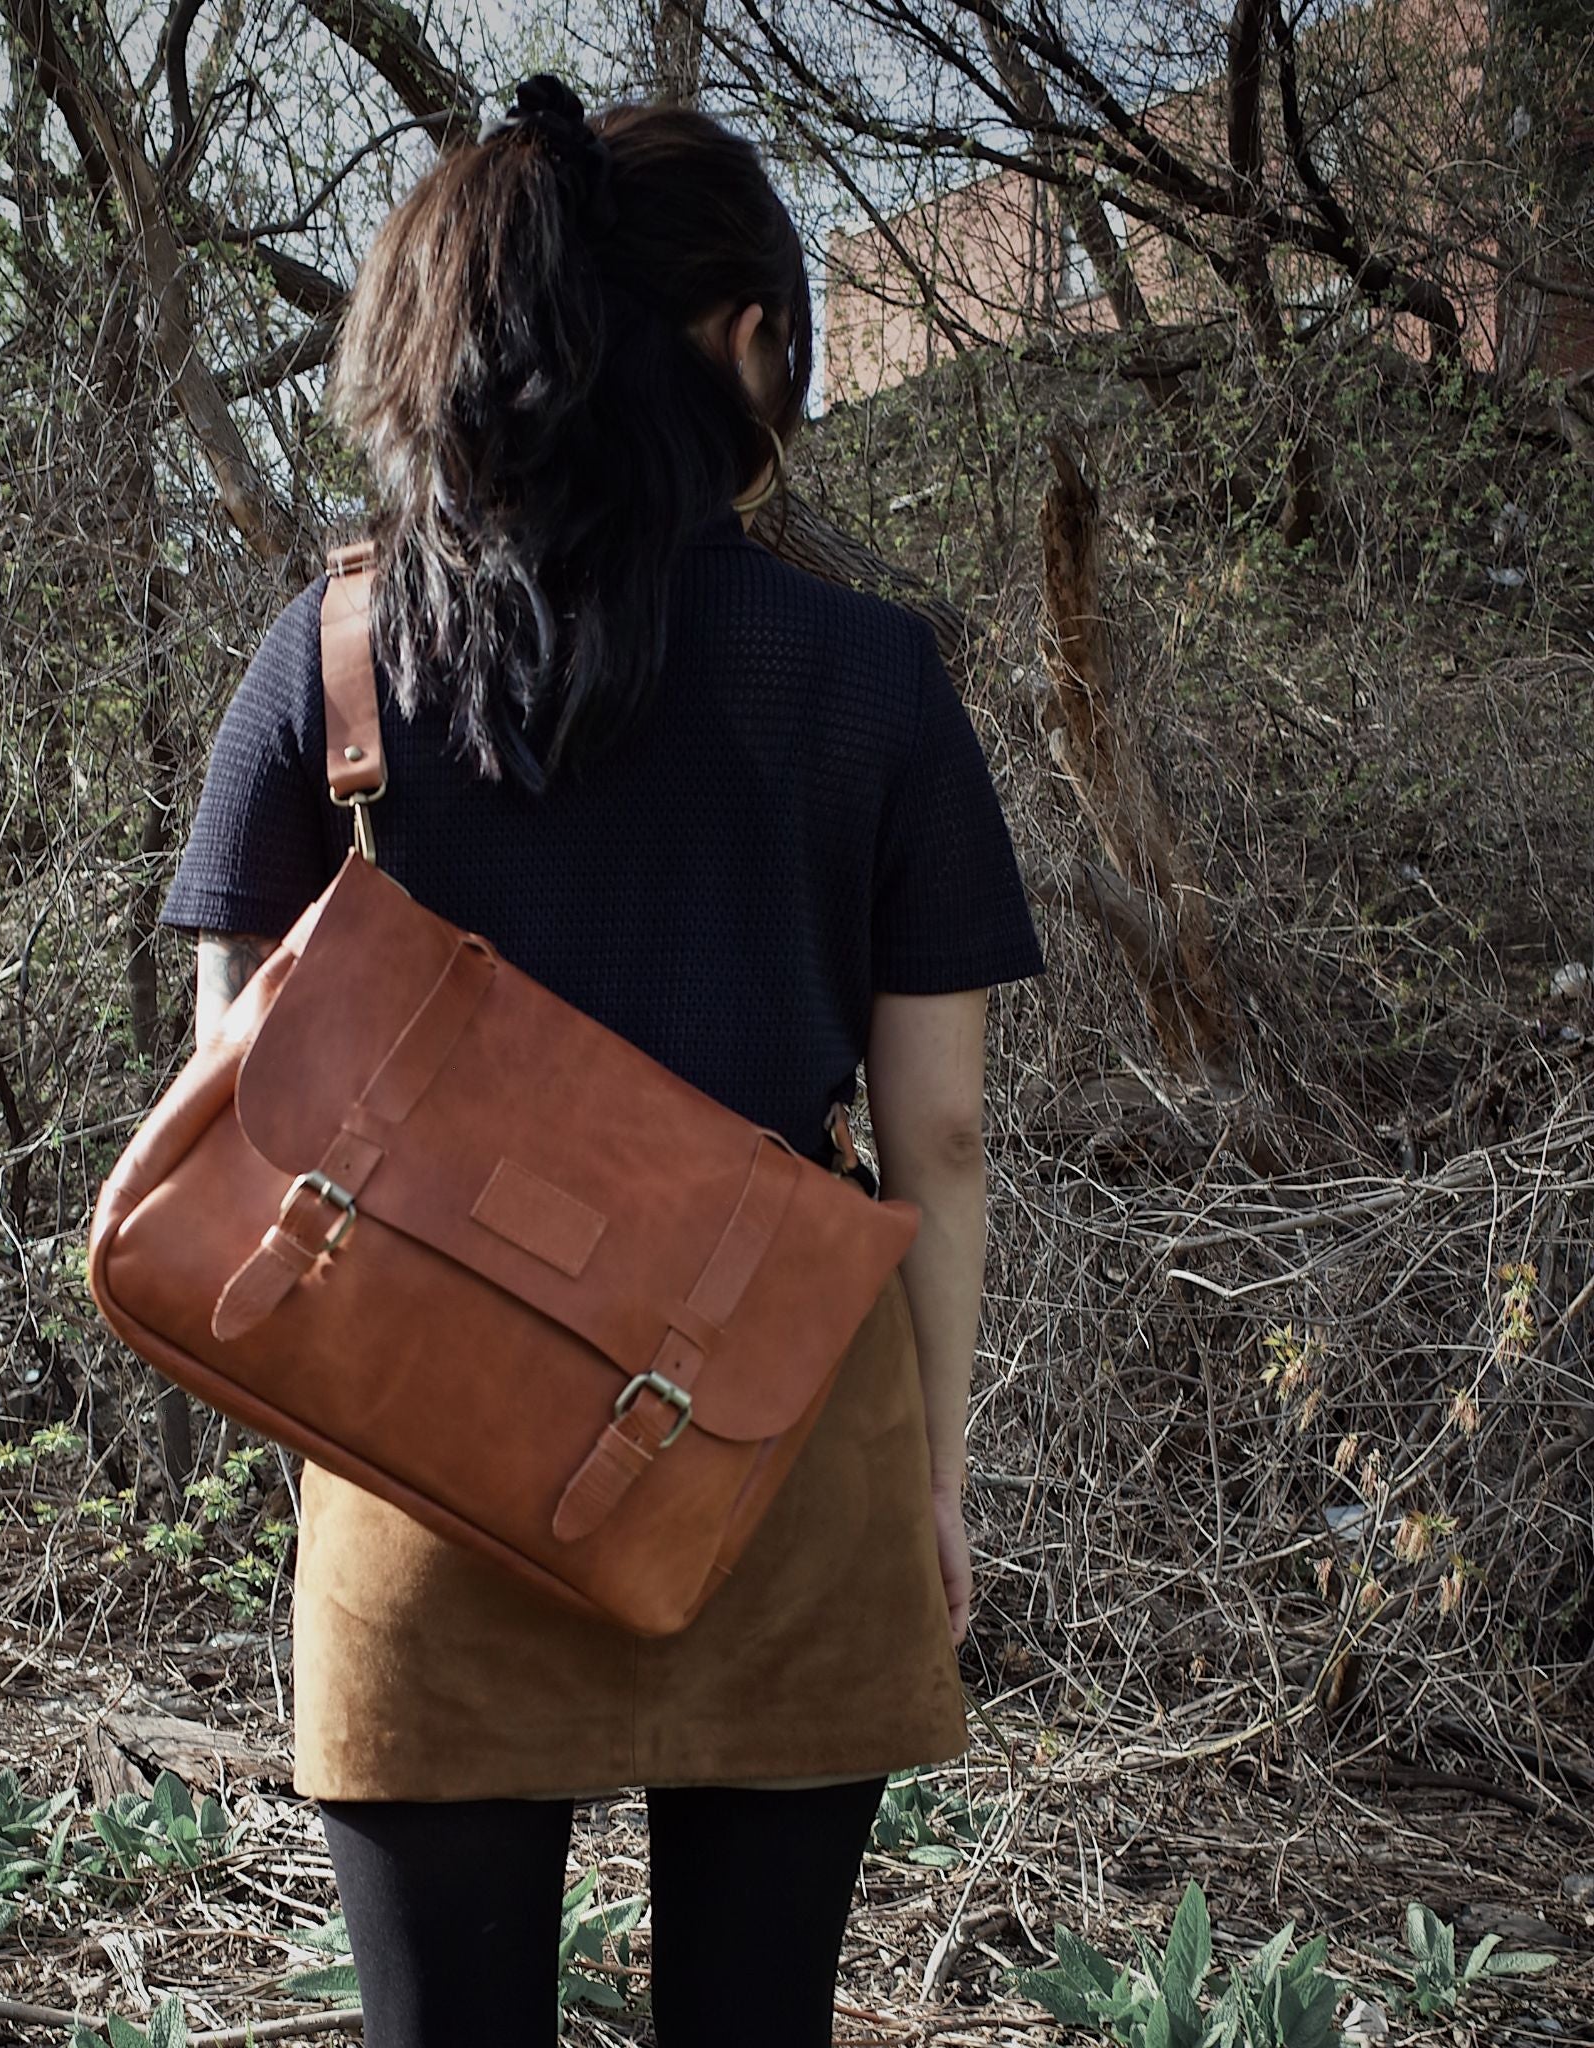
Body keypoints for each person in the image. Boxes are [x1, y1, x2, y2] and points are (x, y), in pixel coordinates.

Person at [157, 74, 1044, 2048]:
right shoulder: (870, 673)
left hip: (424, 1442)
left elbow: (237, 1079)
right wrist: (934, 1474)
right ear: (739, 338)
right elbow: (945, 1135)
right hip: (782, 1433)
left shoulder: (328, 656)